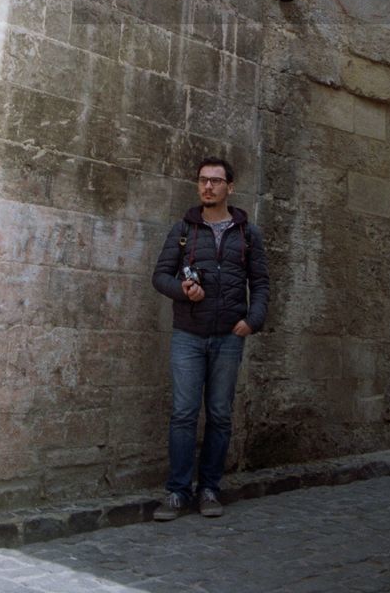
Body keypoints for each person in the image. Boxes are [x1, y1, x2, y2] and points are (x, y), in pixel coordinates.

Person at [151, 156, 270, 520]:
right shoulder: (184, 230)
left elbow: (261, 282)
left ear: (229, 187)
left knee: (219, 415)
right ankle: (177, 492)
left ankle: (209, 490)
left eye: (216, 181)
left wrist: (253, 320)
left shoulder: (248, 234)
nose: (208, 187)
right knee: (184, 414)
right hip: (188, 334)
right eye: (203, 180)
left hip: (229, 337)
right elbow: (160, 276)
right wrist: (183, 290)